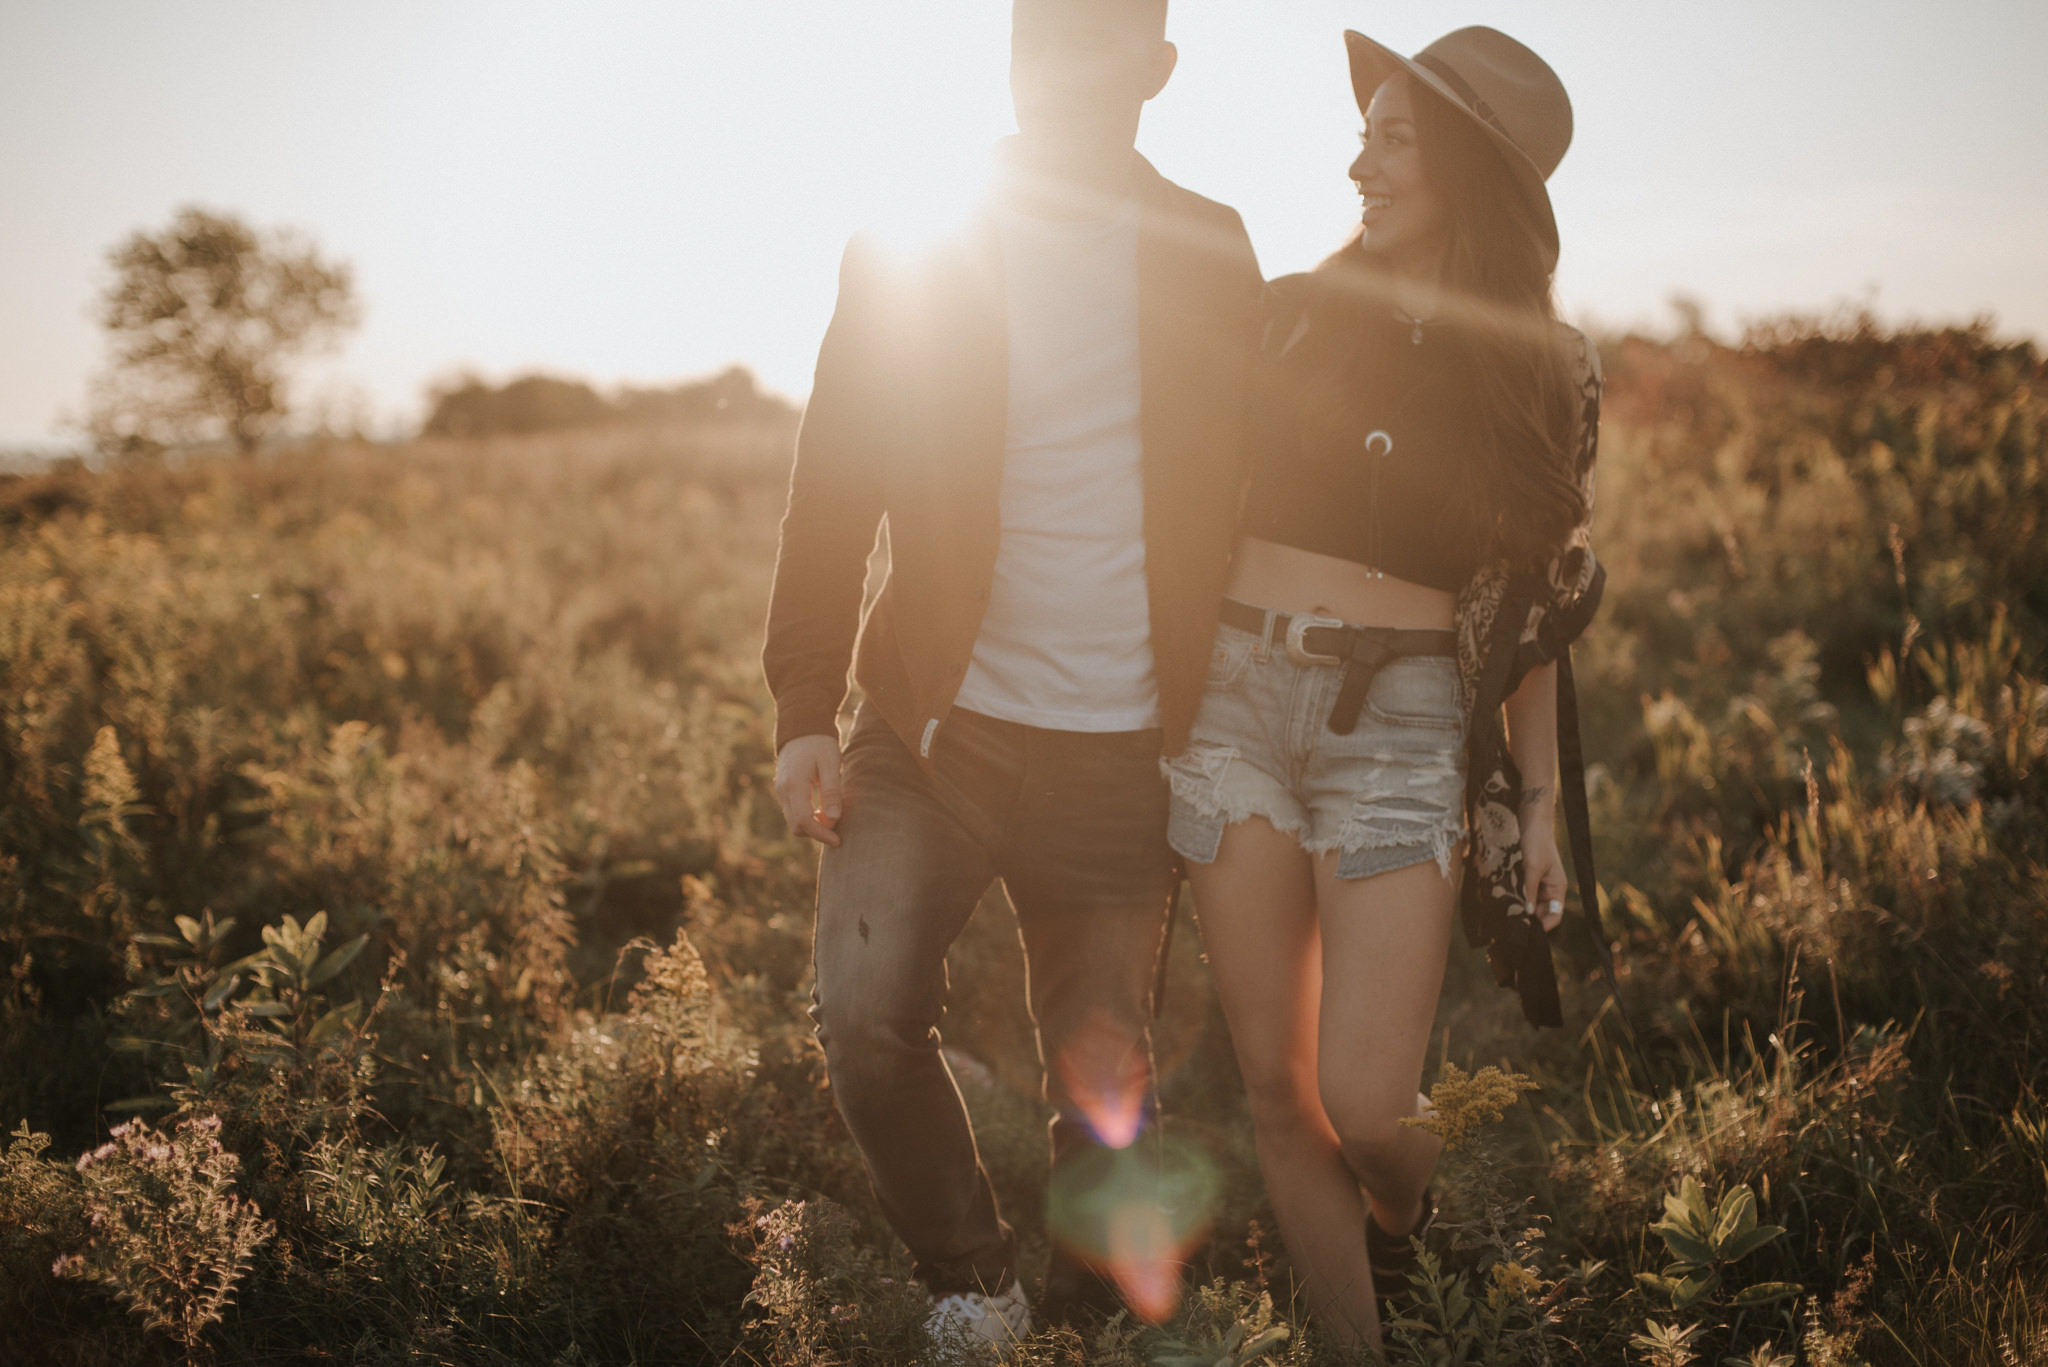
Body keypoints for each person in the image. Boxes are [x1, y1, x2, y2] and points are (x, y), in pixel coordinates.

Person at [763, 0, 1262, 1346]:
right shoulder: (917, 245)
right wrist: (804, 708)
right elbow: (832, 491)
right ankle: (969, 1283)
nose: (1063, 74)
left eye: (1100, 48)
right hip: (936, 731)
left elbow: (1260, 487)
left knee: (1104, 1078)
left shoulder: (1211, 250)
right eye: (1040, 43)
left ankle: (1085, 1318)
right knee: (863, 1011)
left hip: (1125, 751)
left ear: (1157, 70)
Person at [1162, 26, 1607, 1349]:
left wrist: (1536, 807)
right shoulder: (1287, 310)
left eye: (1396, 137)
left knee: (1365, 1105)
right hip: (1233, 706)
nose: (1361, 160)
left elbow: (1529, 613)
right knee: (1279, 1091)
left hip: (1405, 724)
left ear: (1469, 170)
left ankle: (1413, 1221)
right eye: (1368, 134)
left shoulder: (1549, 368)